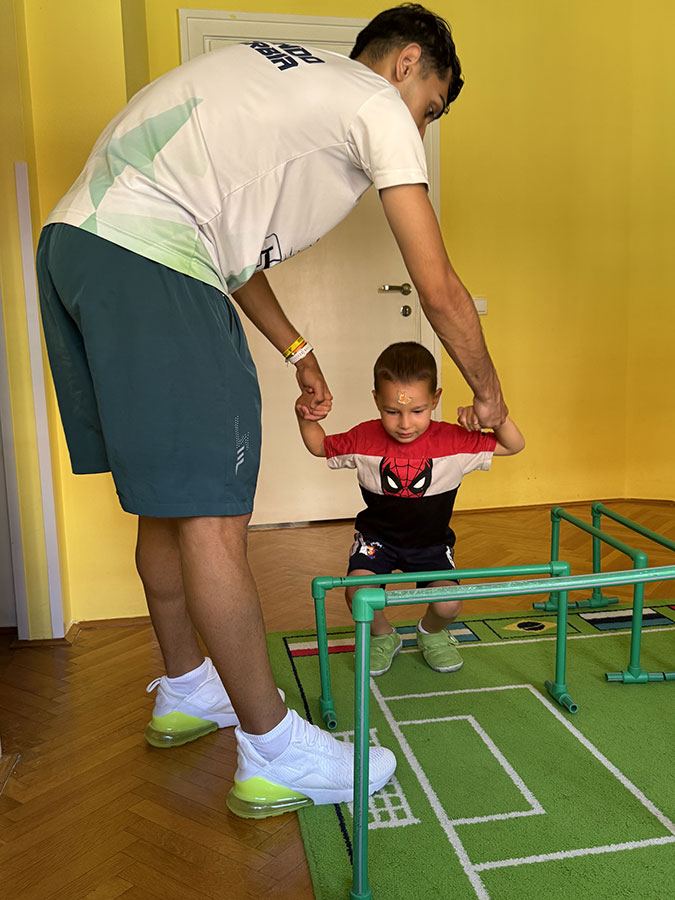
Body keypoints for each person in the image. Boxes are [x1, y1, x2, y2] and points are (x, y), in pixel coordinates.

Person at [35, 5, 508, 819]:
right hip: (151, 255)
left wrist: (298, 351)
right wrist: (488, 393)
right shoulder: (373, 101)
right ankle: (272, 750)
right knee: (214, 513)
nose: (420, 130)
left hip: (79, 246)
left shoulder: (289, 79)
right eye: (429, 109)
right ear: (405, 62)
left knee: (171, 500)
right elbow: (436, 287)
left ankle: (187, 689)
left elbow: (229, 254)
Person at [296, 341, 524, 675]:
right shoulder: (363, 438)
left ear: (435, 399)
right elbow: (319, 445)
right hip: (377, 540)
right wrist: (304, 415)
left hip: (431, 543)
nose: (405, 423)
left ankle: (429, 632)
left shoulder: (455, 441)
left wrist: (495, 416)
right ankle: (384, 635)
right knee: (357, 593)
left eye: (417, 411)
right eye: (392, 411)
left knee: (449, 605)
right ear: (376, 399)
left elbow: (513, 444)